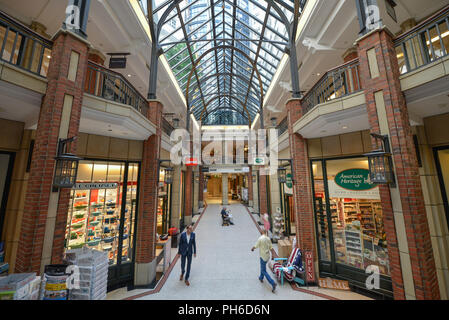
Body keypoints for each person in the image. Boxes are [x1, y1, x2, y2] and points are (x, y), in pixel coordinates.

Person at [251, 228, 277, 293]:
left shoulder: (260, 238)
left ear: (262, 232)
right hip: (267, 256)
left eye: (260, 231)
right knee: (262, 267)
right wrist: (273, 255)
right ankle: (261, 277)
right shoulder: (268, 238)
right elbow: (271, 247)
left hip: (262, 256)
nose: (260, 231)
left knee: (264, 270)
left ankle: (272, 282)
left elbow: (256, 245)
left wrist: (252, 248)